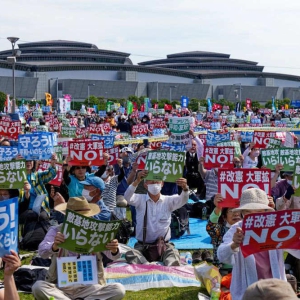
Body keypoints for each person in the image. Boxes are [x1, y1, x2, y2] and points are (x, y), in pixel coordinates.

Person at [32, 196, 126, 300]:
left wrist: (114, 249)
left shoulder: (95, 231)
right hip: (61, 287)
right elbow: (42, 252)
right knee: (38, 287)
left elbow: (114, 256)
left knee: (118, 289)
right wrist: (54, 246)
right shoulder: (56, 230)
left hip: (90, 287)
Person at [217, 188, 300, 300]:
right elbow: (222, 256)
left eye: (258, 212)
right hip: (246, 290)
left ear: (266, 211)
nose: (254, 217)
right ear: (242, 213)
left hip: (275, 287)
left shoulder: (276, 226)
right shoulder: (236, 229)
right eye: (248, 213)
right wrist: (234, 244)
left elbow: (297, 250)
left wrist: (293, 236)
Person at [124, 170, 189, 266]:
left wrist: (185, 188)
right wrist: (137, 180)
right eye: (151, 181)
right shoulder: (139, 199)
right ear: (145, 184)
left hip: (164, 245)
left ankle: (167, 267)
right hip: (143, 246)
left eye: (157, 182)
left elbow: (183, 199)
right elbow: (127, 197)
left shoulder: (168, 200)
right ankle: (146, 265)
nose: (155, 184)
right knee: (131, 254)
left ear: (162, 184)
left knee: (173, 255)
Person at [206, 193, 242, 267]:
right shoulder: (220, 230)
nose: (236, 214)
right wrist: (218, 208)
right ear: (224, 217)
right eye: (231, 210)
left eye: (239, 210)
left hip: (243, 269)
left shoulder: (250, 229)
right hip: (222, 270)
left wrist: (268, 209)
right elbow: (211, 226)